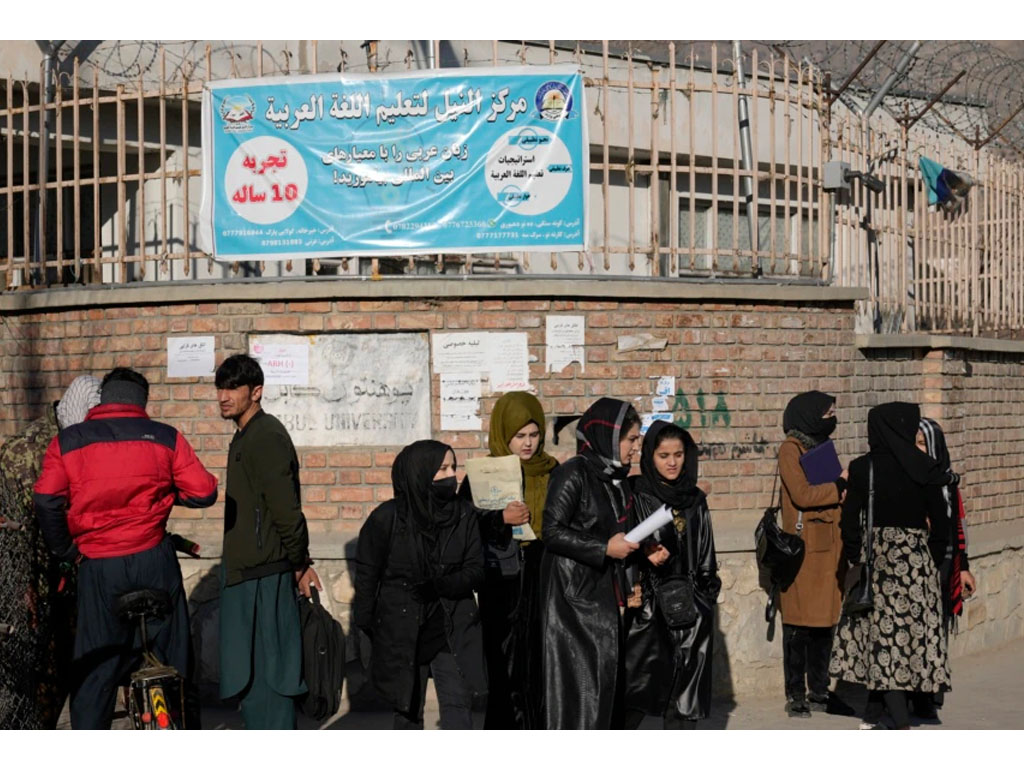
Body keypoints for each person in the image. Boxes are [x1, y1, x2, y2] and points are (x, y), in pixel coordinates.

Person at [33, 368, 218, 729]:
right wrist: (163, 495)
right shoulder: (165, 437)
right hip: (154, 560)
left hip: (99, 568)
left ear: (105, 397)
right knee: (176, 662)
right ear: (141, 401)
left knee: (95, 671)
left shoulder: (69, 441)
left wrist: (66, 550)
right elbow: (204, 492)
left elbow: (46, 501)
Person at [829, 402, 951, 730]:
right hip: (916, 563)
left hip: (879, 561)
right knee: (906, 636)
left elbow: (849, 521)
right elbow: (942, 523)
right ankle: (876, 711)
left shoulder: (862, 468)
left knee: (882, 636)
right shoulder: (924, 466)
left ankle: (897, 721)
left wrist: (856, 555)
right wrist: (932, 557)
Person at [215, 353, 321, 729]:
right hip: (247, 573)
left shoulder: (267, 435)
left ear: (256, 392)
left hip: (267, 574)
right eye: (220, 387)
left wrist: (300, 563)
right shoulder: (245, 436)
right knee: (251, 681)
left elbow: (286, 510)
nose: (224, 396)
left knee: (271, 682)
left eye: (233, 388)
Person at [353, 440, 486, 729]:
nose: (451, 475)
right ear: (421, 472)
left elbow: (476, 569)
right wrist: (366, 625)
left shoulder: (463, 514)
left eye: (454, 467)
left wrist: (441, 585)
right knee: (407, 713)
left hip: (451, 627)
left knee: (458, 709)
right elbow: (367, 574)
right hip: (402, 630)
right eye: (442, 469)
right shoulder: (387, 518)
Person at [0, 375, 100, 729]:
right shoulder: (22, 451)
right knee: (38, 693)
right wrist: (20, 589)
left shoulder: (92, 439)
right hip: (38, 592)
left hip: (82, 582)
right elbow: (12, 534)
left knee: (87, 686)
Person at [540, 397, 642, 729]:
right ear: (609, 437)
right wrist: (602, 548)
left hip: (602, 598)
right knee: (580, 694)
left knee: (603, 691)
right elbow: (551, 531)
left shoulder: (615, 477)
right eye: (630, 440)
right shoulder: (574, 473)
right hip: (572, 604)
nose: (635, 448)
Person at [623, 422, 720, 729]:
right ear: (651, 456)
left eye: (678, 454)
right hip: (649, 612)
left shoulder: (694, 499)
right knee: (634, 698)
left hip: (690, 612)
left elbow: (707, 555)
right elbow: (623, 546)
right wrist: (644, 556)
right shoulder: (637, 495)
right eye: (664, 455)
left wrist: (705, 599)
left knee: (683, 705)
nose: (672, 462)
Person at [470, 391, 558, 729]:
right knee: (504, 668)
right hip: (501, 584)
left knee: (539, 666)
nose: (528, 444)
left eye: (534, 435)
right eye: (519, 436)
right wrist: (498, 519)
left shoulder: (552, 471)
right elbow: (465, 525)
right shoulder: (482, 475)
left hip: (543, 579)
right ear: (503, 434)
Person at [776, 390, 847, 717]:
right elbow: (802, 495)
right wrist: (839, 487)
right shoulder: (791, 449)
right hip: (804, 552)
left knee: (824, 625)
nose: (831, 418)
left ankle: (820, 691)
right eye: (826, 413)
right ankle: (796, 695)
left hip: (830, 549)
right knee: (798, 626)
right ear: (808, 414)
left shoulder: (820, 447)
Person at [909, 417, 975, 719]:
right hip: (913, 564)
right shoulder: (907, 477)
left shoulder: (948, 482)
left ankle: (930, 693)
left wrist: (964, 567)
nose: (918, 449)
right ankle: (912, 691)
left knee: (937, 628)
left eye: (922, 443)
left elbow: (957, 527)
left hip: (945, 564)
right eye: (914, 443)